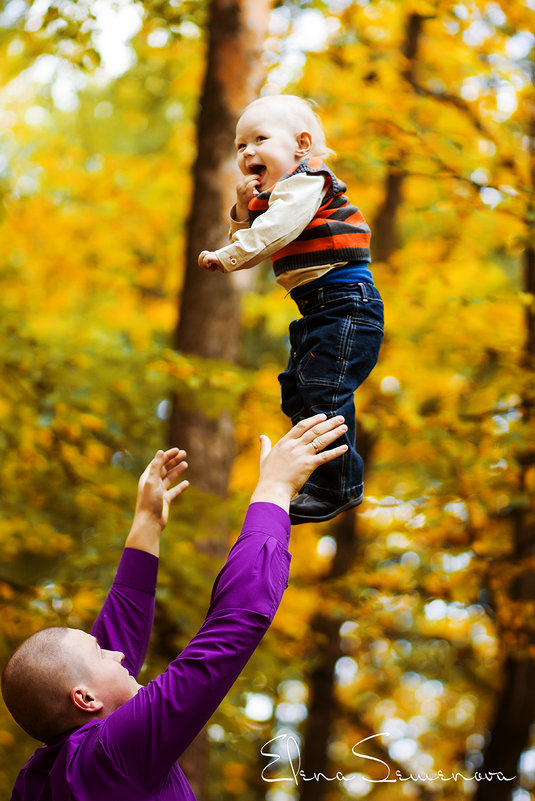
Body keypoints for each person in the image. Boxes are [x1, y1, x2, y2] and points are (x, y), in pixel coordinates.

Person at [2, 413, 348, 801]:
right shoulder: (112, 755)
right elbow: (232, 627)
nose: (118, 653)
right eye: (102, 653)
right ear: (84, 699)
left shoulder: (45, 778)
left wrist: (146, 524)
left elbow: (103, 656)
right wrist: (273, 490)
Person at [198, 94, 384, 525]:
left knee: (324, 391)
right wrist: (243, 211)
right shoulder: (277, 198)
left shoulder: (307, 183)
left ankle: (338, 485)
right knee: (298, 392)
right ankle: (321, 479)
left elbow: (273, 234)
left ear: (301, 145)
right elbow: (260, 232)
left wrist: (227, 255)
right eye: (240, 145)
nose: (247, 153)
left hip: (346, 308)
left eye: (259, 140)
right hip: (318, 311)